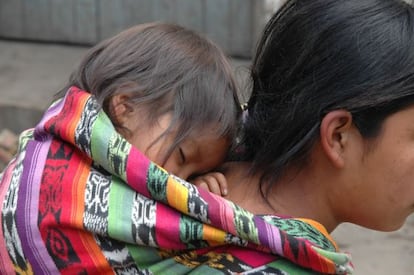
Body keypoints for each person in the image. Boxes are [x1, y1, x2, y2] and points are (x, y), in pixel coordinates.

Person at [0, 22, 240, 274]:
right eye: (181, 156)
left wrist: (197, 195)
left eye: (192, 174)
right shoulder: (51, 170)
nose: (180, 180)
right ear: (125, 107)